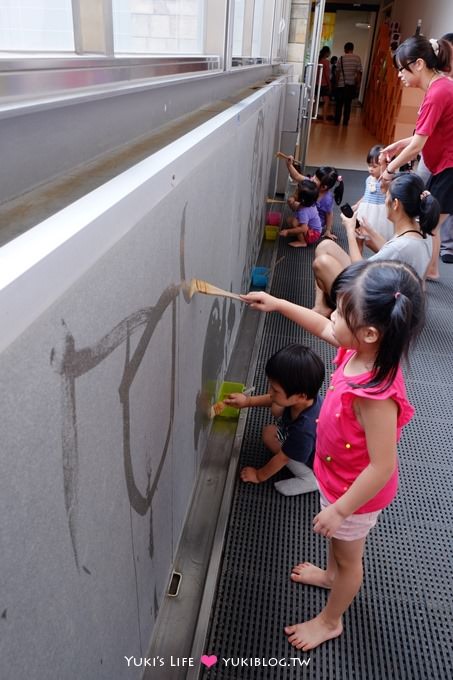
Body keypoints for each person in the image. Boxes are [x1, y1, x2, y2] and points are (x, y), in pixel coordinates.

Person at [241, 259, 425, 651]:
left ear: (370, 333)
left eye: (341, 312)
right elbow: (322, 326)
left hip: (355, 496)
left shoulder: (377, 397)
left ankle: (330, 619)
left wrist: (341, 510)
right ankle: (329, 575)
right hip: (336, 475)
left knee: (349, 559)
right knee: (338, 553)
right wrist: (278, 303)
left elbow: (382, 465)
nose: (332, 318)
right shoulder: (357, 351)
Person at [311, 173, 438, 315]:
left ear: (395, 204)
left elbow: (358, 269)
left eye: (387, 197)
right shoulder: (421, 230)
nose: (385, 201)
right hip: (389, 290)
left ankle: (347, 315)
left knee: (322, 263)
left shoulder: (402, 246)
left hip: (382, 307)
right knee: (325, 246)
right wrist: (370, 231)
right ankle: (321, 306)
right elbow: (393, 252)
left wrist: (349, 230)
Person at [380, 34, 453, 279]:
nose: (400, 74)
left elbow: (418, 144)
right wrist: (398, 146)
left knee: (428, 223)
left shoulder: (437, 93)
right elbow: (423, 136)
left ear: (419, 64)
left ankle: (421, 277)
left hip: (449, 167)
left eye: (402, 69)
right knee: (431, 222)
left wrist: (390, 169)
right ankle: (429, 271)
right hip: (443, 164)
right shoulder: (439, 86)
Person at [224, 344, 325, 496]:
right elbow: (274, 399)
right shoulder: (306, 398)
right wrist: (247, 402)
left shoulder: (304, 430)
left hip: (316, 463)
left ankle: (310, 478)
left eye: (275, 389)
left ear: (300, 396)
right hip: (313, 446)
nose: (270, 392)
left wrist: (258, 475)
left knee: (269, 434)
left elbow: (283, 458)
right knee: (276, 409)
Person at [285, 158, 344, 240]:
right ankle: (300, 229)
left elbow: (329, 214)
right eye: (314, 176)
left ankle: (303, 235)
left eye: (316, 179)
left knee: (292, 222)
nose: (312, 178)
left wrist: (328, 230)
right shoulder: (311, 183)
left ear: (324, 187)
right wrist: (289, 165)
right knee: (291, 214)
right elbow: (297, 176)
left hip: (315, 222)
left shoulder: (327, 199)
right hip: (307, 212)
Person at [352, 145, 393, 242]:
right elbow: (367, 195)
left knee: (378, 240)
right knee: (358, 237)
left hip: (379, 215)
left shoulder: (386, 181)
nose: (370, 169)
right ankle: (357, 257)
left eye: (374, 166)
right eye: (369, 165)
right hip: (365, 212)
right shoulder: (369, 179)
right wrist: (357, 205)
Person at [280, 179, 322, 247]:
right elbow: (295, 208)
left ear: (301, 199)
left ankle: (302, 242)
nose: (295, 192)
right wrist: (293, 198)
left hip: (313, 235)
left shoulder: (303, 212)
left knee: (294, 222)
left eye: (296, 192)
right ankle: (298, 235)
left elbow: (303, 228)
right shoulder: (309, 203)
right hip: (314, 230)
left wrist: (288, 231)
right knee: (290, 220)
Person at [334, 43, 362, 127]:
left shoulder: (341, 58)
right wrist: (358, 84)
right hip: (350, 85)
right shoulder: (357, 58)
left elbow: (338, 72)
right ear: (352, 49)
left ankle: (337, 121)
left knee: (339, 104)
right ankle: (345, 122)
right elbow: (359, 72)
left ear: (345, 49)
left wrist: (336, 83)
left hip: (341, 85)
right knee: (348, 105)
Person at [318, 46, 331, 122]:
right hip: (324, 84)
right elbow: (327, 74)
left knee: (315, 100)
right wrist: (329, 84)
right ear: (326, 53)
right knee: (326, 101)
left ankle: (313, 117)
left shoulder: (318, 60)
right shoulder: (326, 62)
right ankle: (324, 118)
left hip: (316, 83)